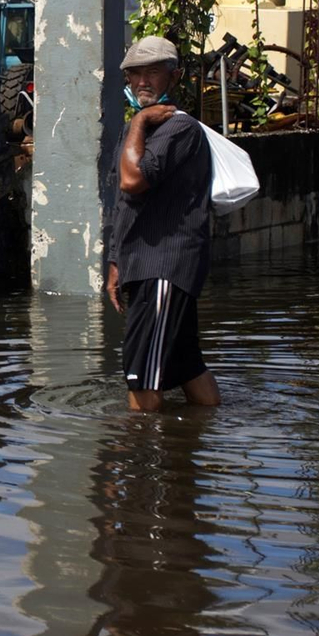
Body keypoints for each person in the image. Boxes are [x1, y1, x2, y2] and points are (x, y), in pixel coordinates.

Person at [103, 35, 219, 412]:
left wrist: (137, 122)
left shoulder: (177, 129)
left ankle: (140, 459)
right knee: (187, 368)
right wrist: (117, 262)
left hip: (163, 268)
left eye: (153, 72)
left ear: (174, 77)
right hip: (147, 264)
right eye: (135, 74)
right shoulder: (141, 129)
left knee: (141, 377)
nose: (142, 82)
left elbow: (132, 181)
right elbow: (127, 205)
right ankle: (205, 434)